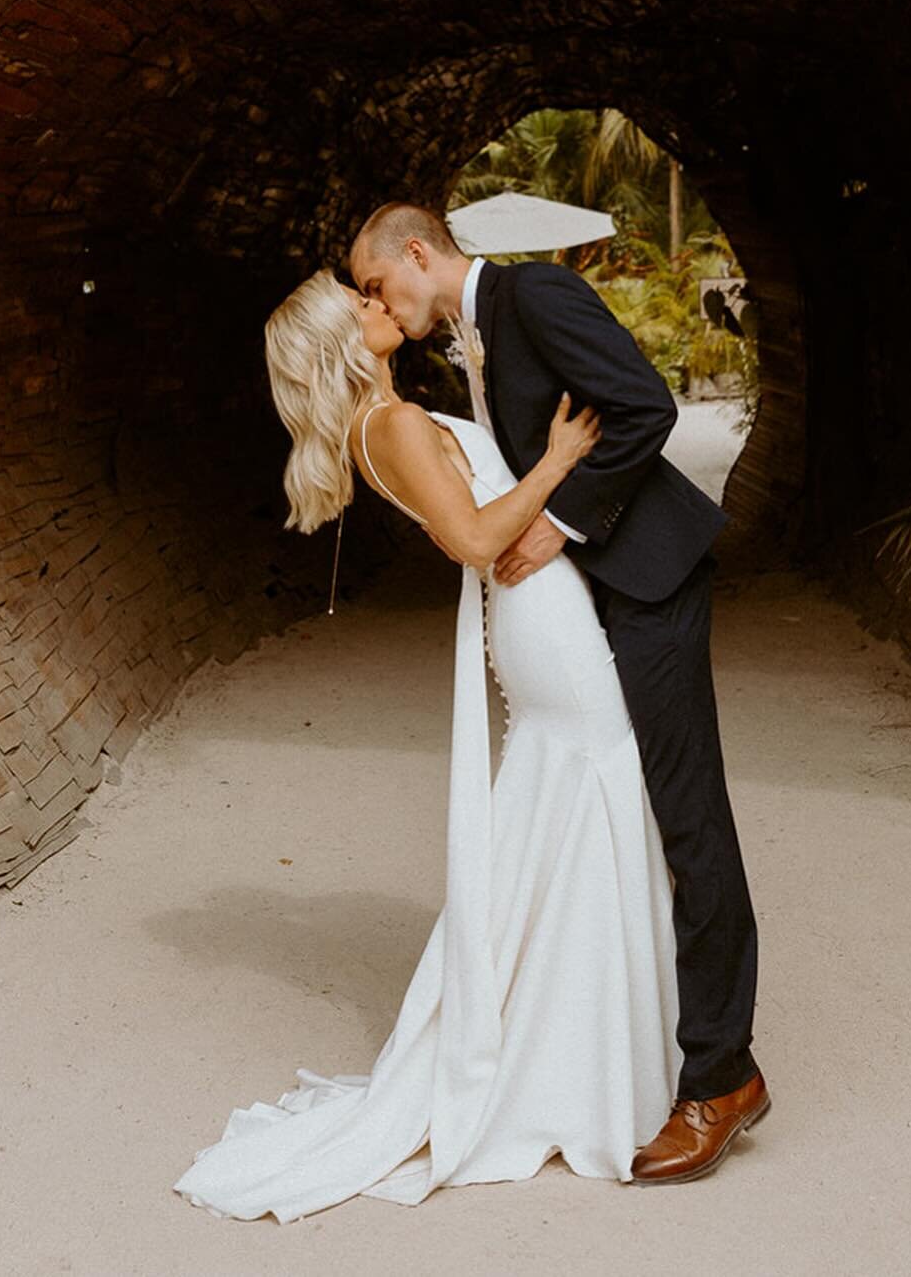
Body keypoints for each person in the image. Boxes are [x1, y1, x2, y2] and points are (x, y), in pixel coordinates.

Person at [172, 266, 700, 1223]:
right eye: (360, 305)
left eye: (373, 292)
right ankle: (580, 1065)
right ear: (343, 339)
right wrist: (556, 460)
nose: (379, 305)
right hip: (539, 618)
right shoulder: (394, 428)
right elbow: (471, 539)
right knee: (598, 795)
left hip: (539, 618)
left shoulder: (388, 418)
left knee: (574, 814)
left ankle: (583, 1050)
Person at [349, 202, 765, 1185]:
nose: (374, 301)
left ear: (418, 252)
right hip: (601, 597)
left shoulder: (533, 293)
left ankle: (721, 1075)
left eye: (374, 283)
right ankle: (657, 1045)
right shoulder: (473, 339)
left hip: (651, 581)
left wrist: (564, 522)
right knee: (647, 814)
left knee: (688, 819)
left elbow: (646, 405)